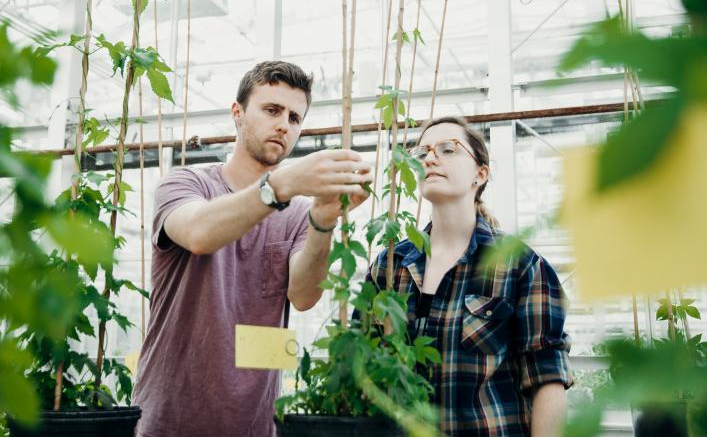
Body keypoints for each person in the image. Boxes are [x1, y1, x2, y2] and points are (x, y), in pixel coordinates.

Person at [133, 61, 371, 437]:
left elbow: (304, 295)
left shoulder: (297, 214)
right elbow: (199, 233)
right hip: (168, 421)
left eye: (295, 118)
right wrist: (278, 186)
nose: (284, 125)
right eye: (272, 110)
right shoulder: (185, 184)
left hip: (255, 426)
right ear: (238, 113)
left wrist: (324, 217)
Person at [367, 116, 572, 437]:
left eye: (448, 149)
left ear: (480, 174)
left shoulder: (520, 265)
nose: (431, 158)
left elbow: (547, 380)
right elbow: (363, 363)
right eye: (422, 153)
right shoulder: (391, 264)